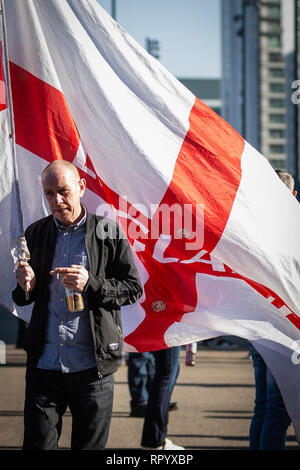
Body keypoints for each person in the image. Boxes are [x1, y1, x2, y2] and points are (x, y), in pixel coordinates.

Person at [12, 160, 143, 450]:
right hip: (45, 366)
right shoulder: (36, 232)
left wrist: (91, 283)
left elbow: (133, 289)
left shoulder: (107, 232)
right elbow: (25, 297)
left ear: (81, 187)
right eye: (49, 193)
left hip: (92, 370)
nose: (56, 201)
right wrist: (25, 285)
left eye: (63, 191)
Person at [249, 169, 297, 450]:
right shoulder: (291, 228)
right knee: (278, 412)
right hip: (285, 328)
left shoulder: (254, 226)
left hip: (257, 324)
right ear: (292, 195)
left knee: (263, 406)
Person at [141, 346, 183, 450]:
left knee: (170, 372)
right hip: (167, 330)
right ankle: (154, 440)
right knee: (165, 375)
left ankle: (155, 439)